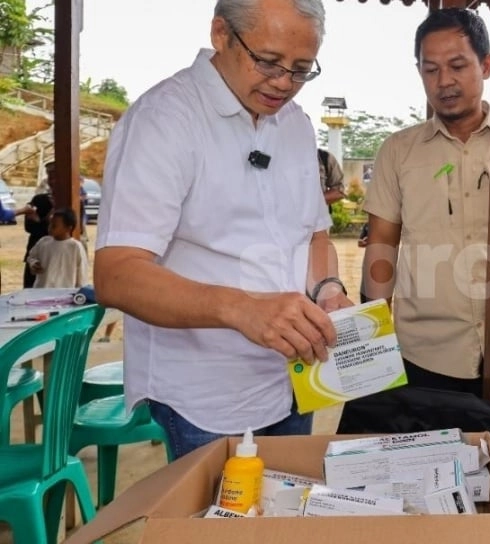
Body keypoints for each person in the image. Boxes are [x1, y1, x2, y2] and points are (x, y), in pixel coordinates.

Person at [93, 0, 352, 460]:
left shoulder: (295, 125)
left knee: (282, 521)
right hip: (205, 395)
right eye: (269, 62)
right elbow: (118, 275)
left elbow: (312, 234)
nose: (283, 84)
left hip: (293, 377)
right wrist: (242, 309)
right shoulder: (165, 119)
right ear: (220, 33)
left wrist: (328, 290)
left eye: (301, 69)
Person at [359, 8, 490, 401]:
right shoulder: (398, 152)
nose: (444, 82)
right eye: (430, 70)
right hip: (423, 355)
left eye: (457, 65)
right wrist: (370, 343)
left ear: (487, 65)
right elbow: (381, 248)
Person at [26, 208, 88, 288]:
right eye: (50, 224)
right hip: (41, 290)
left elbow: (81, 273)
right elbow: (31, 256)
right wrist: (34, 264)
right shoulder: (43, 242)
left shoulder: (75, 247)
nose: (50, 227)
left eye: (54, 225)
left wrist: (79, 291)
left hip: (64, 292)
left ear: (68, 228)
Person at [20, 162, 57, 288]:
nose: (53, 181)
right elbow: (29, 227)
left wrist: (40, 222)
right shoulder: (39, 199)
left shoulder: (73, 201)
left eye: (56, 176)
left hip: (59, 257)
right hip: (36, 255)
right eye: (50, 177)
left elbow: (74, 230)